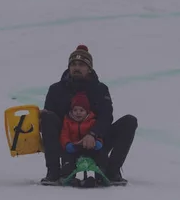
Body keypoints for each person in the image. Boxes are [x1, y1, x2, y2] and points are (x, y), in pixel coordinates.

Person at [40, 44, 137, 185]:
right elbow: (51, 123)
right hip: (68, 141)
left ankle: (112, 172)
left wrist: (93, 134)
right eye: (73, 64)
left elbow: (106, 117)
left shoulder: (100, 89)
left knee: (130, 121)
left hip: (97, 143)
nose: (77, 68)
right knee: (47, 117)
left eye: (81, 64)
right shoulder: (56, 89)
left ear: (89, 68)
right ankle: (53, 173)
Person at [59, 91, 105, 180]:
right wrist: (67, 144)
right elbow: (64, 134)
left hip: (89, 146)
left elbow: (99, 134)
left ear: (87, 111)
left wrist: (98, 142)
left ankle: (101, 173)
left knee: (101, 155)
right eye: (75, 110)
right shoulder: (68, 122)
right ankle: (66, 174)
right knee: (67, 157)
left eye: (81, 110)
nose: (78, 113)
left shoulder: (92, 121)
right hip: (74, 147)